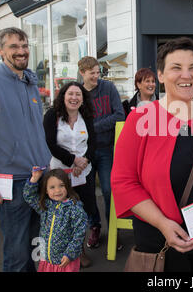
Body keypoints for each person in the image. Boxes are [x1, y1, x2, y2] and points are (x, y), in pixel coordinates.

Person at [111, 37, 193, 271]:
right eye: (176, 68)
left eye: (192, 68)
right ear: (161, 76)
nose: (186, 75)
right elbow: (123, 182)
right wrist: (162, 223)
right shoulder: (140, 120)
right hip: (161, 239)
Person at [0, 27, 51, 272]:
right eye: (13, 47)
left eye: (24, 46)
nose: (21, 51)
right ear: (0, 50)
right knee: (17, 255)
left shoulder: (30, 84)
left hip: (39, 180)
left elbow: (35, 132)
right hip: (13, 184)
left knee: (36, 249)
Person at [43, 81, 96, 268]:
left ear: (83, 98)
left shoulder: (86, 116)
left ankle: (79, 251)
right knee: (61, 213)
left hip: (83, 172)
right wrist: (73, 160)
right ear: (63, 96)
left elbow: (93, 142)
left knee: (82, 211)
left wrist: (85, 161)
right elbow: (50, 143)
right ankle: (59, 251)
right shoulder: (52, 115)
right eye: (70, 94)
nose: (74, 98)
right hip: (60, 174)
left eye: (78, 94)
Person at [79, 56, 125, 249]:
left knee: (108, 190)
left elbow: (119, 115)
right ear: (82, 73)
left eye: (98, 72)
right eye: (92, 74)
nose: (96, 77)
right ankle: (95, 227)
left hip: (106, 148)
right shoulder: (77, 93)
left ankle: (113, 229)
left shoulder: (108, 88)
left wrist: (92, 128)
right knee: (87, 193)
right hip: (84, 152)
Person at [23, 168, 87, 272]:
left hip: (65, 261)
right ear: (46, 191)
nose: (57, 190)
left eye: (61, 185)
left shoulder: (75, 209)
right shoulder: (45, 206)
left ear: (67, 186)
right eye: (52, 187)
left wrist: (70, 254)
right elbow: (29, 196)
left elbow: (79, 234)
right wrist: (34, 178)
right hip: (46, 259)